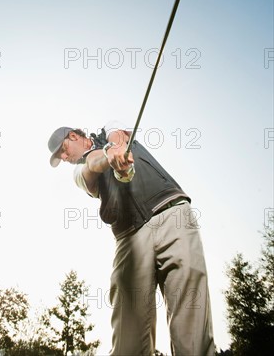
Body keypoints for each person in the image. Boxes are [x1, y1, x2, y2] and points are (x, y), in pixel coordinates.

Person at [48, 121, 214, 356]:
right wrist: (109, 156)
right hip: (129, 237)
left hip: (171, 212)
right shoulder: (78, 171)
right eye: (60, 156)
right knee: (128, 340)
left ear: (74, 136)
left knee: (192, 324)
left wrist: (116, 147)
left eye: (63, 149)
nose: (64, 157)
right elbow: (93, 164)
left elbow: (119, 135)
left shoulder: (109, 127)